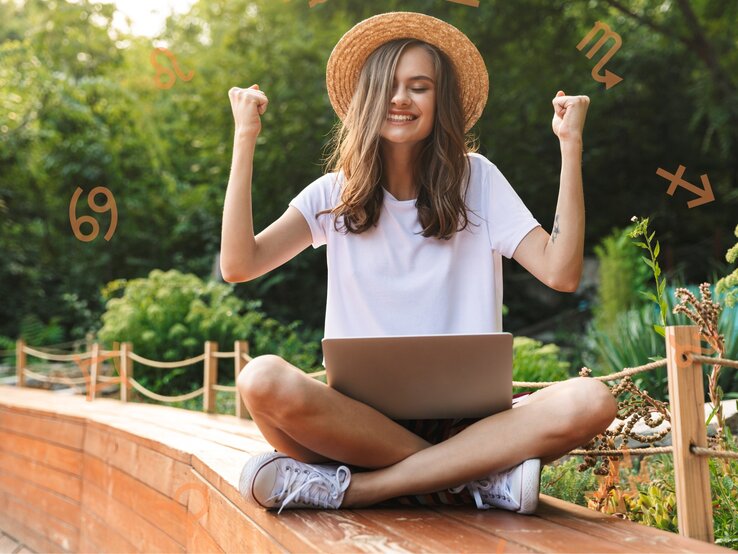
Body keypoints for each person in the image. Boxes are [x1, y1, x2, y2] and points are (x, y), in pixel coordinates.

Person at [220, 11, 617, 516]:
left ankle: (359, 490)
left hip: (473, 426)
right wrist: (244, 138)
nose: (400, 98)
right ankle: (473, 480)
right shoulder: (334, 194)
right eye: (387, 85)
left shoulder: (479, 180)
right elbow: (239, 264)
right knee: (261, 380)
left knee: (591, 401)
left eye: (419, 86)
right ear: (365, 100)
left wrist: (571, 146)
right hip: (358, 427)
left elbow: (561, 273)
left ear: (440, 101)